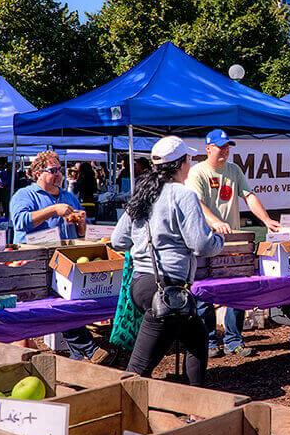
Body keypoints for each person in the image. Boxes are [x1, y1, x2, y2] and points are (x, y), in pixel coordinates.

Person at [111, 137, 223, 383]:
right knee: (137, 369)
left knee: (196, 338)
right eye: (189, 159)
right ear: (181, 163)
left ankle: (193, 402)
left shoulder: (142, 193)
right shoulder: (183, 195)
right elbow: (201, 245)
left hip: (141, 284)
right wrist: (219, 241)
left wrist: (143, 244)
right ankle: (123, 408)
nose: (190, 164)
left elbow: (118, 240)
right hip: (168, 289)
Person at [186, 129, 279, 357]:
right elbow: (196, 203)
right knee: (204, 292)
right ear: (208, 149)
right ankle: (208, 341)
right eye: (220, 147)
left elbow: (249, 196)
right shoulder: (197, 173)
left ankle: (233, 340)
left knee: (238, 290)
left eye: (227, 147)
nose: (225, 151)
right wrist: (216, 222)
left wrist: (266, 220)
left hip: (233, 242)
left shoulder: (234, 170)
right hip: (204, 240)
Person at [10, 150, 103, 362]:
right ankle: (88, 349)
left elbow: (81, 233)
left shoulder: (68, 197)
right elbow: (21, 222)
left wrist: (80, 224)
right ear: (37, 173)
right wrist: (53, 210)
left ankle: (78, 357)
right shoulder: (25, 195)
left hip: (65, 259)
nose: (59, 174)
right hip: (33, 262)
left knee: (68, 304)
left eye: (60, 169)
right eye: (52, 170)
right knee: (59, 303)